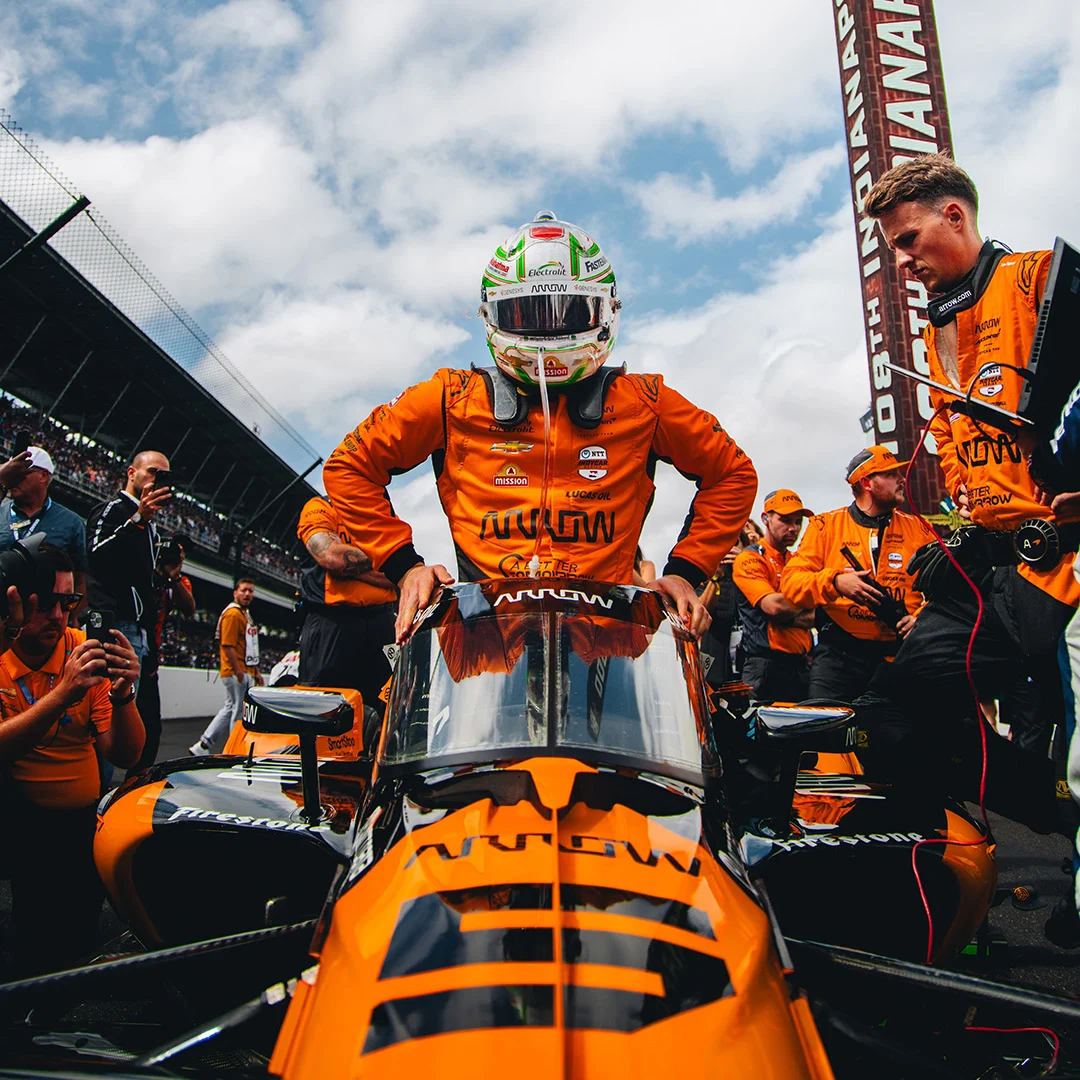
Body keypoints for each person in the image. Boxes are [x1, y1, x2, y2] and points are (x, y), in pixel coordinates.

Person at [323, 211, 757, 644]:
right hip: (485, 646)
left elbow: (732, 474)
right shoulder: (451, 398)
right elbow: (349, 466)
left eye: (567, 310)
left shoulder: (644, 403)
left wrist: (685, 571)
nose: (548, 329)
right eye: (529, 311)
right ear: (493, 315)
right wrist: (405, 567)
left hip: (606, 651)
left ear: (604, 311)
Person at [850, 153, 1080, 829]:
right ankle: (1046, 818)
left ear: (953, 214)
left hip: (1066, 556)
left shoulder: (1041, 277)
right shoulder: (936, 325)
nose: (902, 262)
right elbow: (956, 438)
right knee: (886, 717)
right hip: (995, 564)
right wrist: (967, 534)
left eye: (907, 241)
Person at [0, 544, 143, 975]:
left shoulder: (82, 650)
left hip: (78, 818)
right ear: (15, 603)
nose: (60, 617)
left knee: (75, 937)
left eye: (68, 602)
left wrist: (123, 697)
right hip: (19, 815)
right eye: (44, 604)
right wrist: (63, 694)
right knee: (33, 938)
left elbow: (123, 754)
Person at [783, 447, 936, 701]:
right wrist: (836, 582)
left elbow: (945, 590)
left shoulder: (919, 530)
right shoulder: (825, 526)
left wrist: (921, 618)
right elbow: (790, 584)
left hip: (899, 655)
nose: (902, 479)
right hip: (838, 658)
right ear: (866, 482)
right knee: (824, 734)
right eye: (890, 474)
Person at [296, 496, 397, 708]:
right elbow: (331, 557)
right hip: (332, 623)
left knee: (386, 706)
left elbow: (400, 571)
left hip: (382, 623)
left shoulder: (387, 516)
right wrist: (383, 560)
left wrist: (347, 565)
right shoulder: (321, 507)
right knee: (325, 710)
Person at [86, 450, 173, 683]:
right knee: (110, 709)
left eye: (164, 475)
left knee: (127, 710)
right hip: (113, 624)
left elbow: (144, 584)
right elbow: (96, 554)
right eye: (152, 472)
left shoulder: (151, 526)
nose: (156, 479)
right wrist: (138, 520)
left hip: (138, 629)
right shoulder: (113, 510)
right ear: (132, 473)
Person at [732, 489, 815, 702]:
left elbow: (818, 614)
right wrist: (809, 596)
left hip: (800, 664)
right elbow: (774, 607)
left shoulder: (797, 560)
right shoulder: (750, 558)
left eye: (798, 522)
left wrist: (790, 612)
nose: (793, 528)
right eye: (785, 520)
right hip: (764, 665)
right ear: (765, 518)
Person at [128, 536, 195, 775]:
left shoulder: (175, 581)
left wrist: (173, 576)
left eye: (181, 555)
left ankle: (137, 777)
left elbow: (189, 608)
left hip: (150, 661)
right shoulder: (141, 569)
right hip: (128, 649)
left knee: (151, 728)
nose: (179, 558)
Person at [0, 445, 88, 618]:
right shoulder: (1, 511)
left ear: (43, 476)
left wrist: (74, 620)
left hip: (44, 616)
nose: (12, 479)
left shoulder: (72, 523)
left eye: (21, 472)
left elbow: (80, 580)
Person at [189, 578, 262, 755]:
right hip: (237, 670)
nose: (247, 594)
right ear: (235, 592)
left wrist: (256, 671)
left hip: (244, 669)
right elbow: (227, 645)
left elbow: (249, 647)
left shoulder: (245, 614)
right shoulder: (233, 614)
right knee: (239, 710)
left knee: (230, 707)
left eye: (250, 591)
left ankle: (203, 745)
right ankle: (234, 750)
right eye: (243, 590)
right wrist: (238, 671)